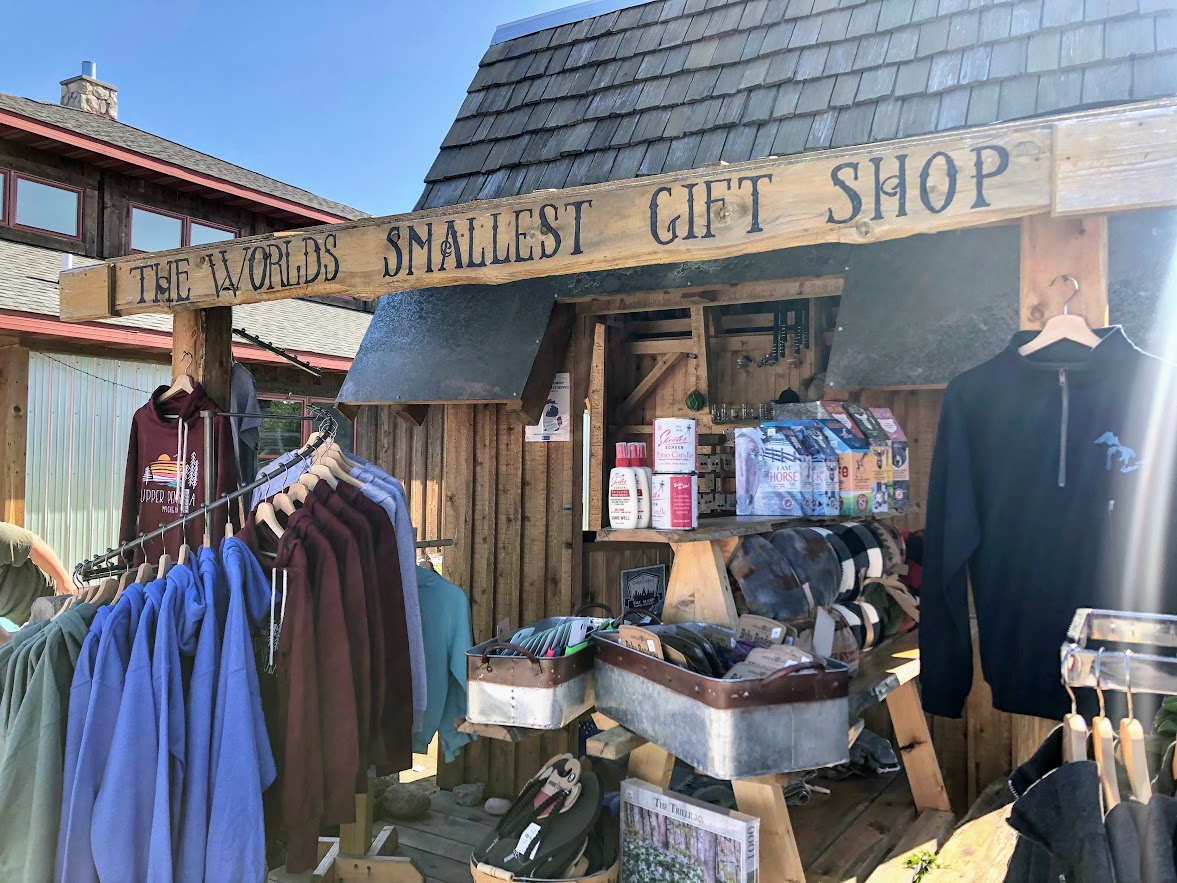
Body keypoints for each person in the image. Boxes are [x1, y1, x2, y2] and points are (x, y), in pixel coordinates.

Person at [0, 523, 71, 635]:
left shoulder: (1, 534)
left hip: (52, 598)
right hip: (24, 627)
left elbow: (34, 545)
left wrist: (64, 582)